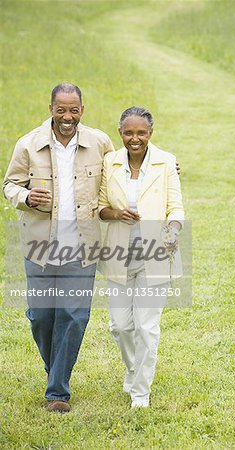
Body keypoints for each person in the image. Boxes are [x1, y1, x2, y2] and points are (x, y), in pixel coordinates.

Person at [3, 83, 114, 413]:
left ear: (83, 109)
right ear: (51, 108)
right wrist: (25, 197)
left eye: (74, 110)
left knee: (73, 315)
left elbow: (124, 168)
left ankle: (57, 392)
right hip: (39, 246)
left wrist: (164, 168)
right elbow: (10, 184)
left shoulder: (99, 143)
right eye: (61, 109)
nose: (68, 116)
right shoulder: (28, 144)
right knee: (41, 317)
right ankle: (58, 369)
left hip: (82, 246)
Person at [99, 106, 184, 408]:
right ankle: (134, 370)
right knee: (120, 326)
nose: (135, 139)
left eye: (141, 133)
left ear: (150, 133)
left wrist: (172, 231)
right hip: (119, 254)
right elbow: (100, 207)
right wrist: (115, 213)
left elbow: (176, 208)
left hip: (156, 254)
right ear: (120, 133)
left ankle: (140, 392)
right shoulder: (109, 162)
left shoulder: (167, 162)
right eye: (128, 133)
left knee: (146, 327)